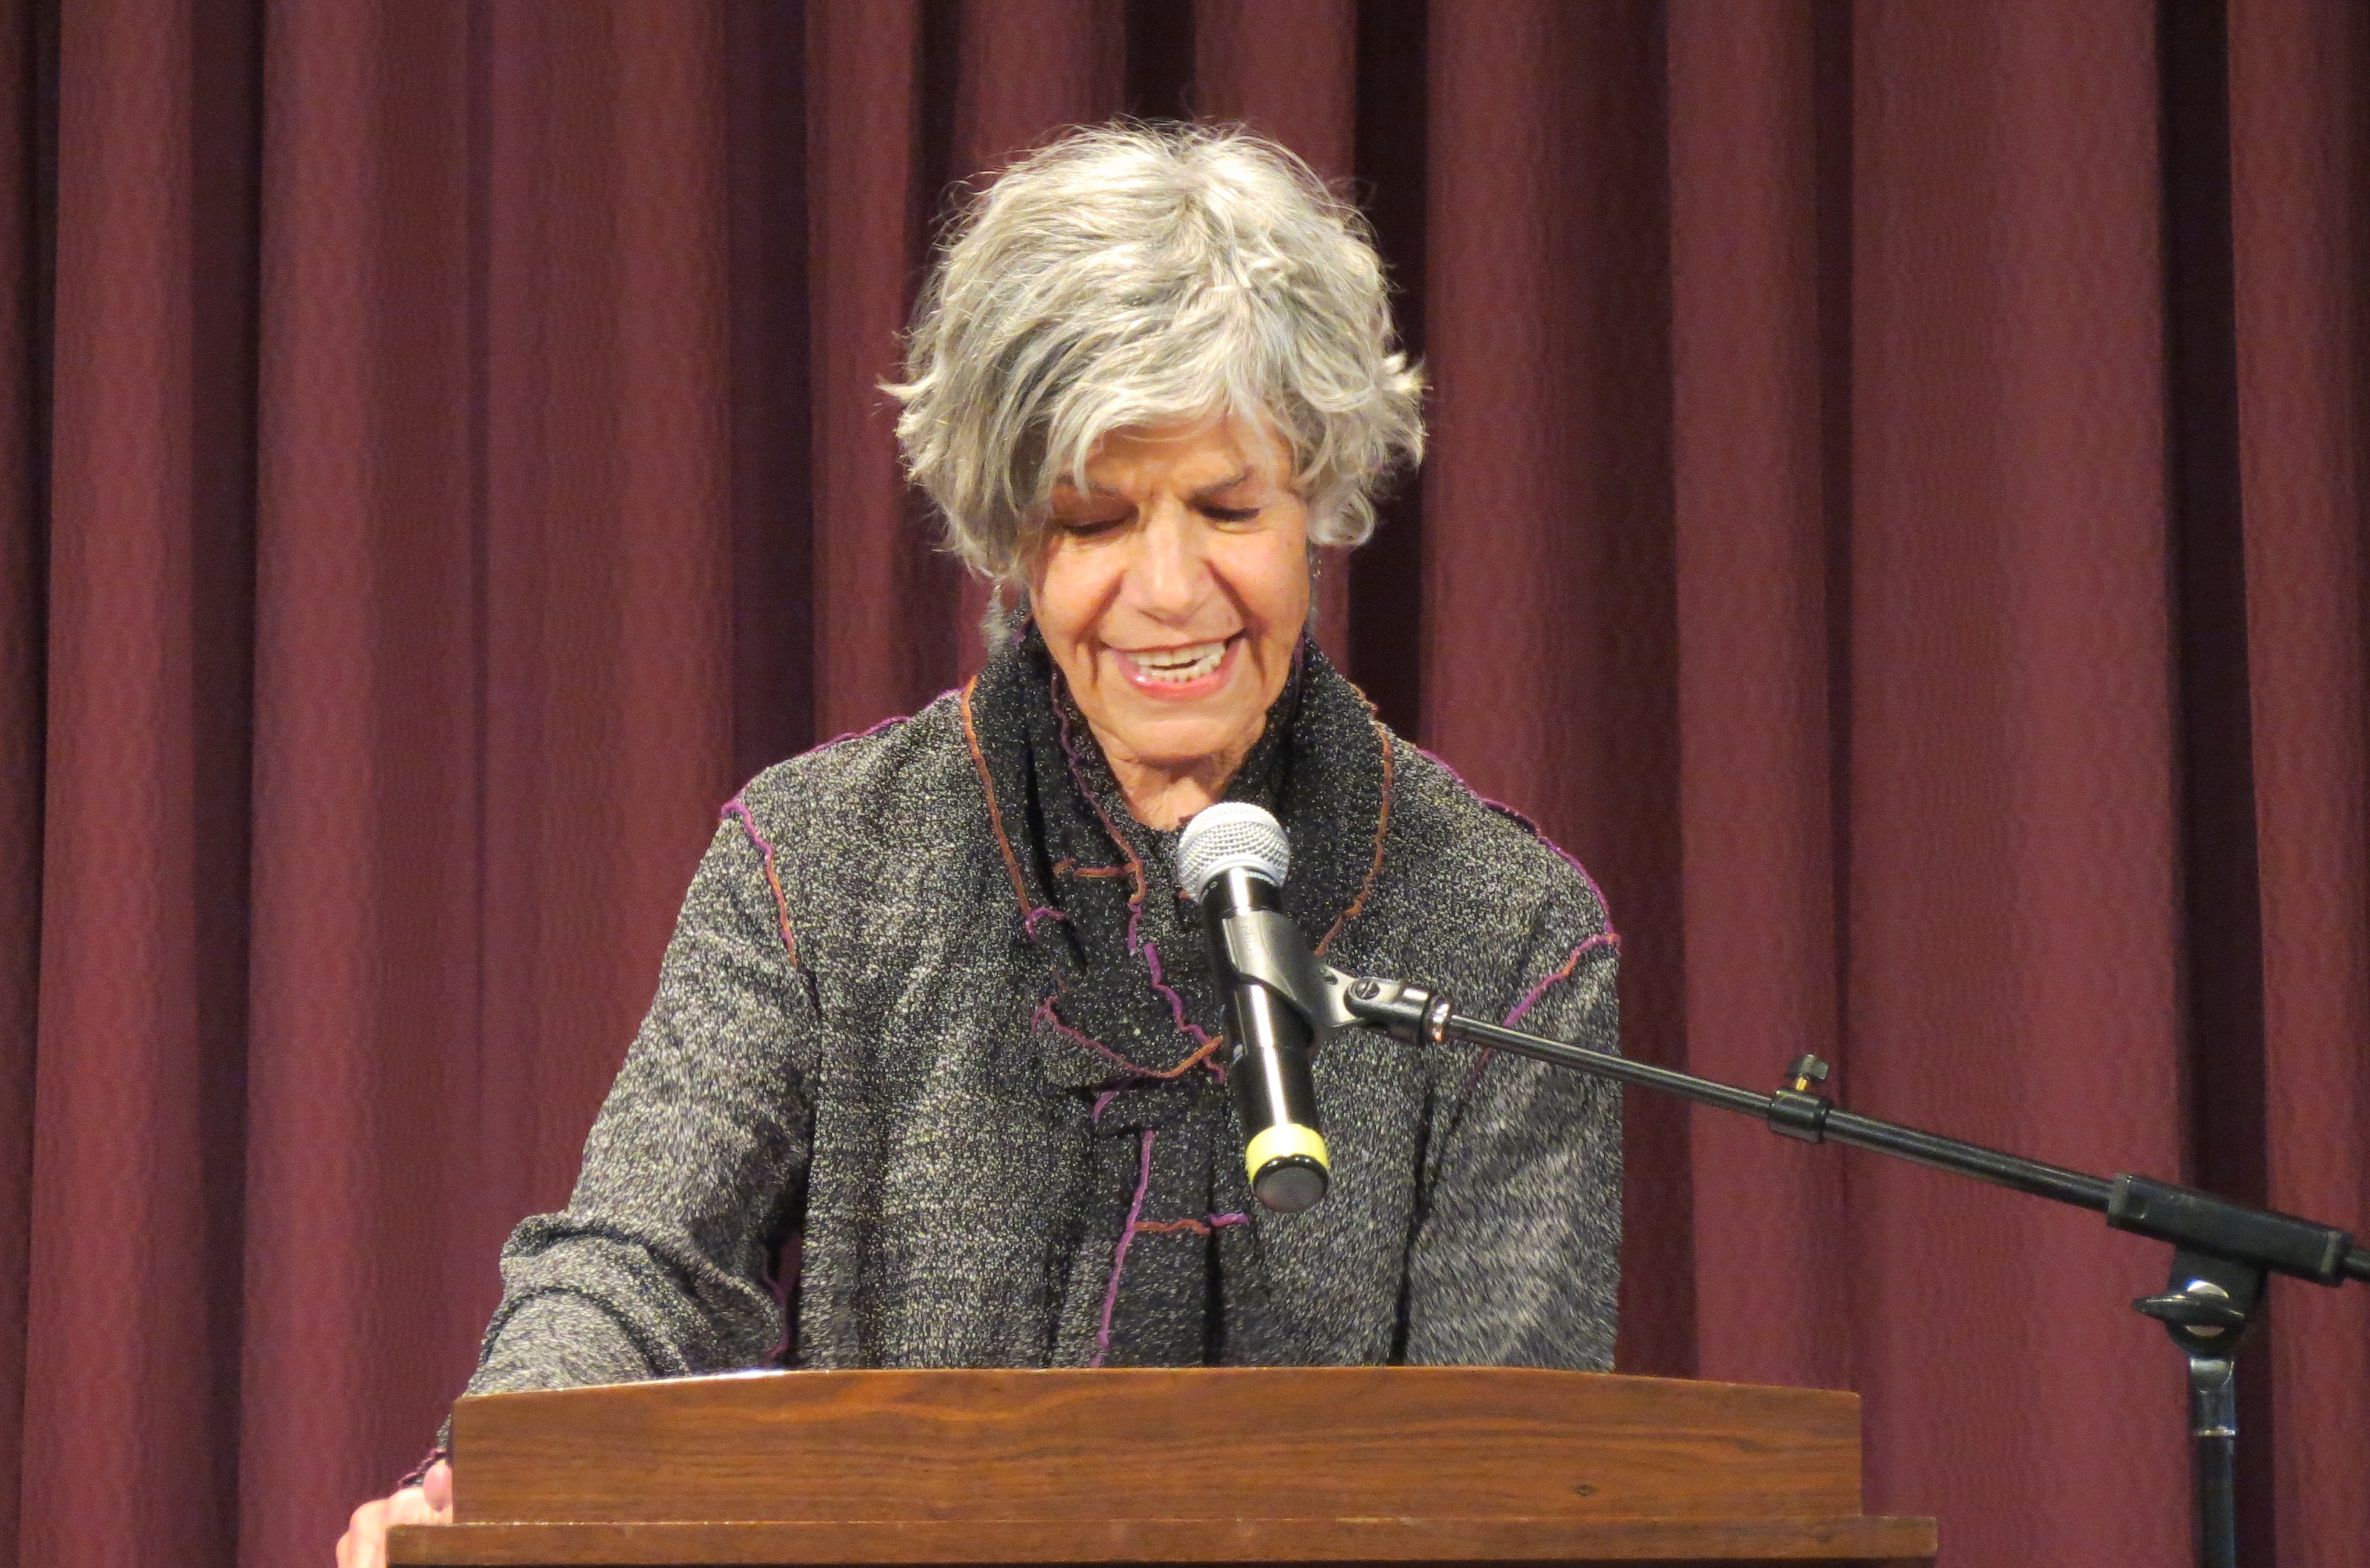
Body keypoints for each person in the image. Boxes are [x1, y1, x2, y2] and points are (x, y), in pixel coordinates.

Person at [338, 123, 1620, 1567]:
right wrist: (492, 1480)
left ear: (1316, 497)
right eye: (1094, 520)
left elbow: (1518, 1469)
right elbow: (645, 1268)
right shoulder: (822, 858)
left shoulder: (1510, 927)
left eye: (1227, 507)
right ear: (1011, 538)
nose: (1169, 588)